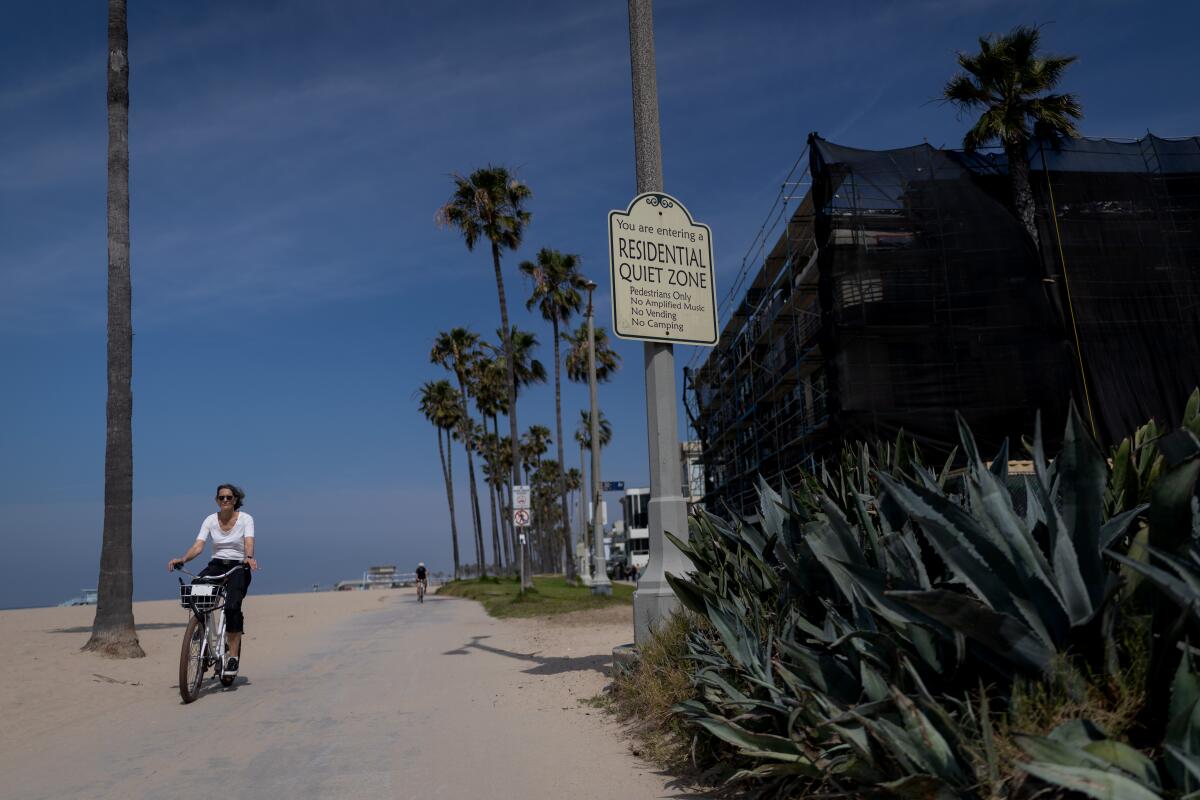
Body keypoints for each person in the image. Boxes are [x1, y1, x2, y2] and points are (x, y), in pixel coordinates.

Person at [167, 483, 258, 676]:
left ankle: (232, 656)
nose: (225, 500)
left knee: (232, 607)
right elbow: (198, 546)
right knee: (196, 590)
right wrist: (183, 559)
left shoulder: (246, 519)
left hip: (238, 566)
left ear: (235, 500)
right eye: (221, 497)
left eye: (229, 497)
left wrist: (249, 557)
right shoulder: (210, 520)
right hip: (216, 564)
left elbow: (249, 541)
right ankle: (202, 629)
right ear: (217, 500)